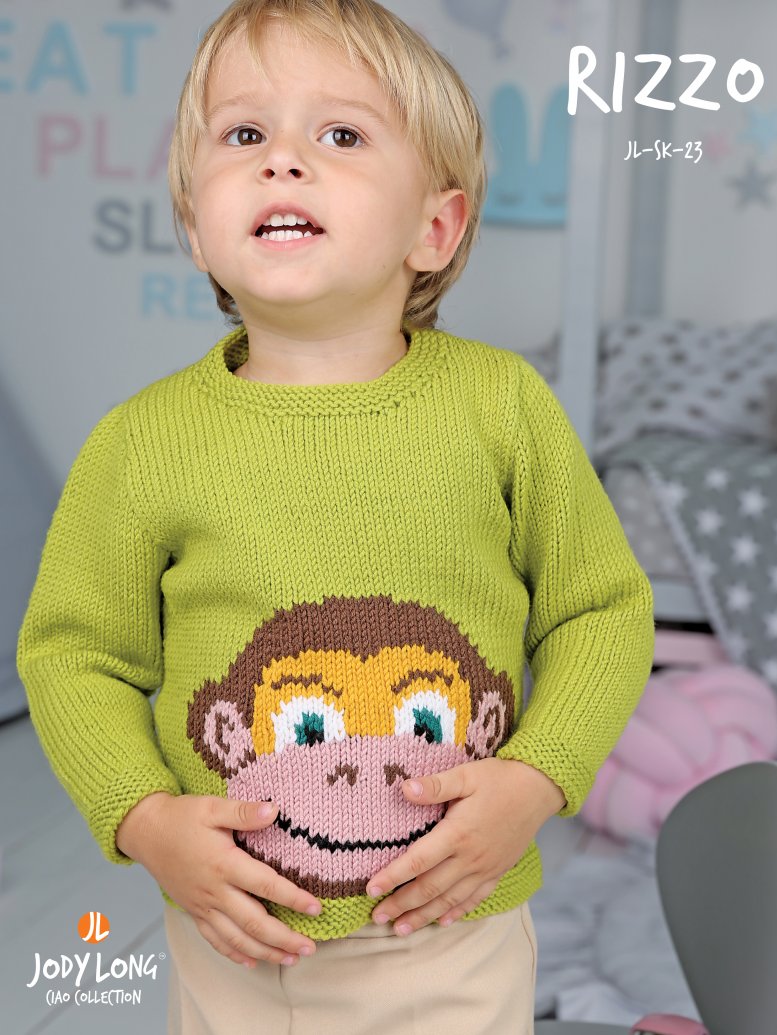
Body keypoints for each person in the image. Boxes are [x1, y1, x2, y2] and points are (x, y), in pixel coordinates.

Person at [16, 0, 655, 1031]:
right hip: (230, 939)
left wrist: (537, 778)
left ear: (433, 228)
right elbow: (75, 655)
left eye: (341, 135)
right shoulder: (142, 442)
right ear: (196, 225)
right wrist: (142, 816)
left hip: (447, 931)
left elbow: (599, 611)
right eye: (243, 133)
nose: (282, 160)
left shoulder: (499, 407)